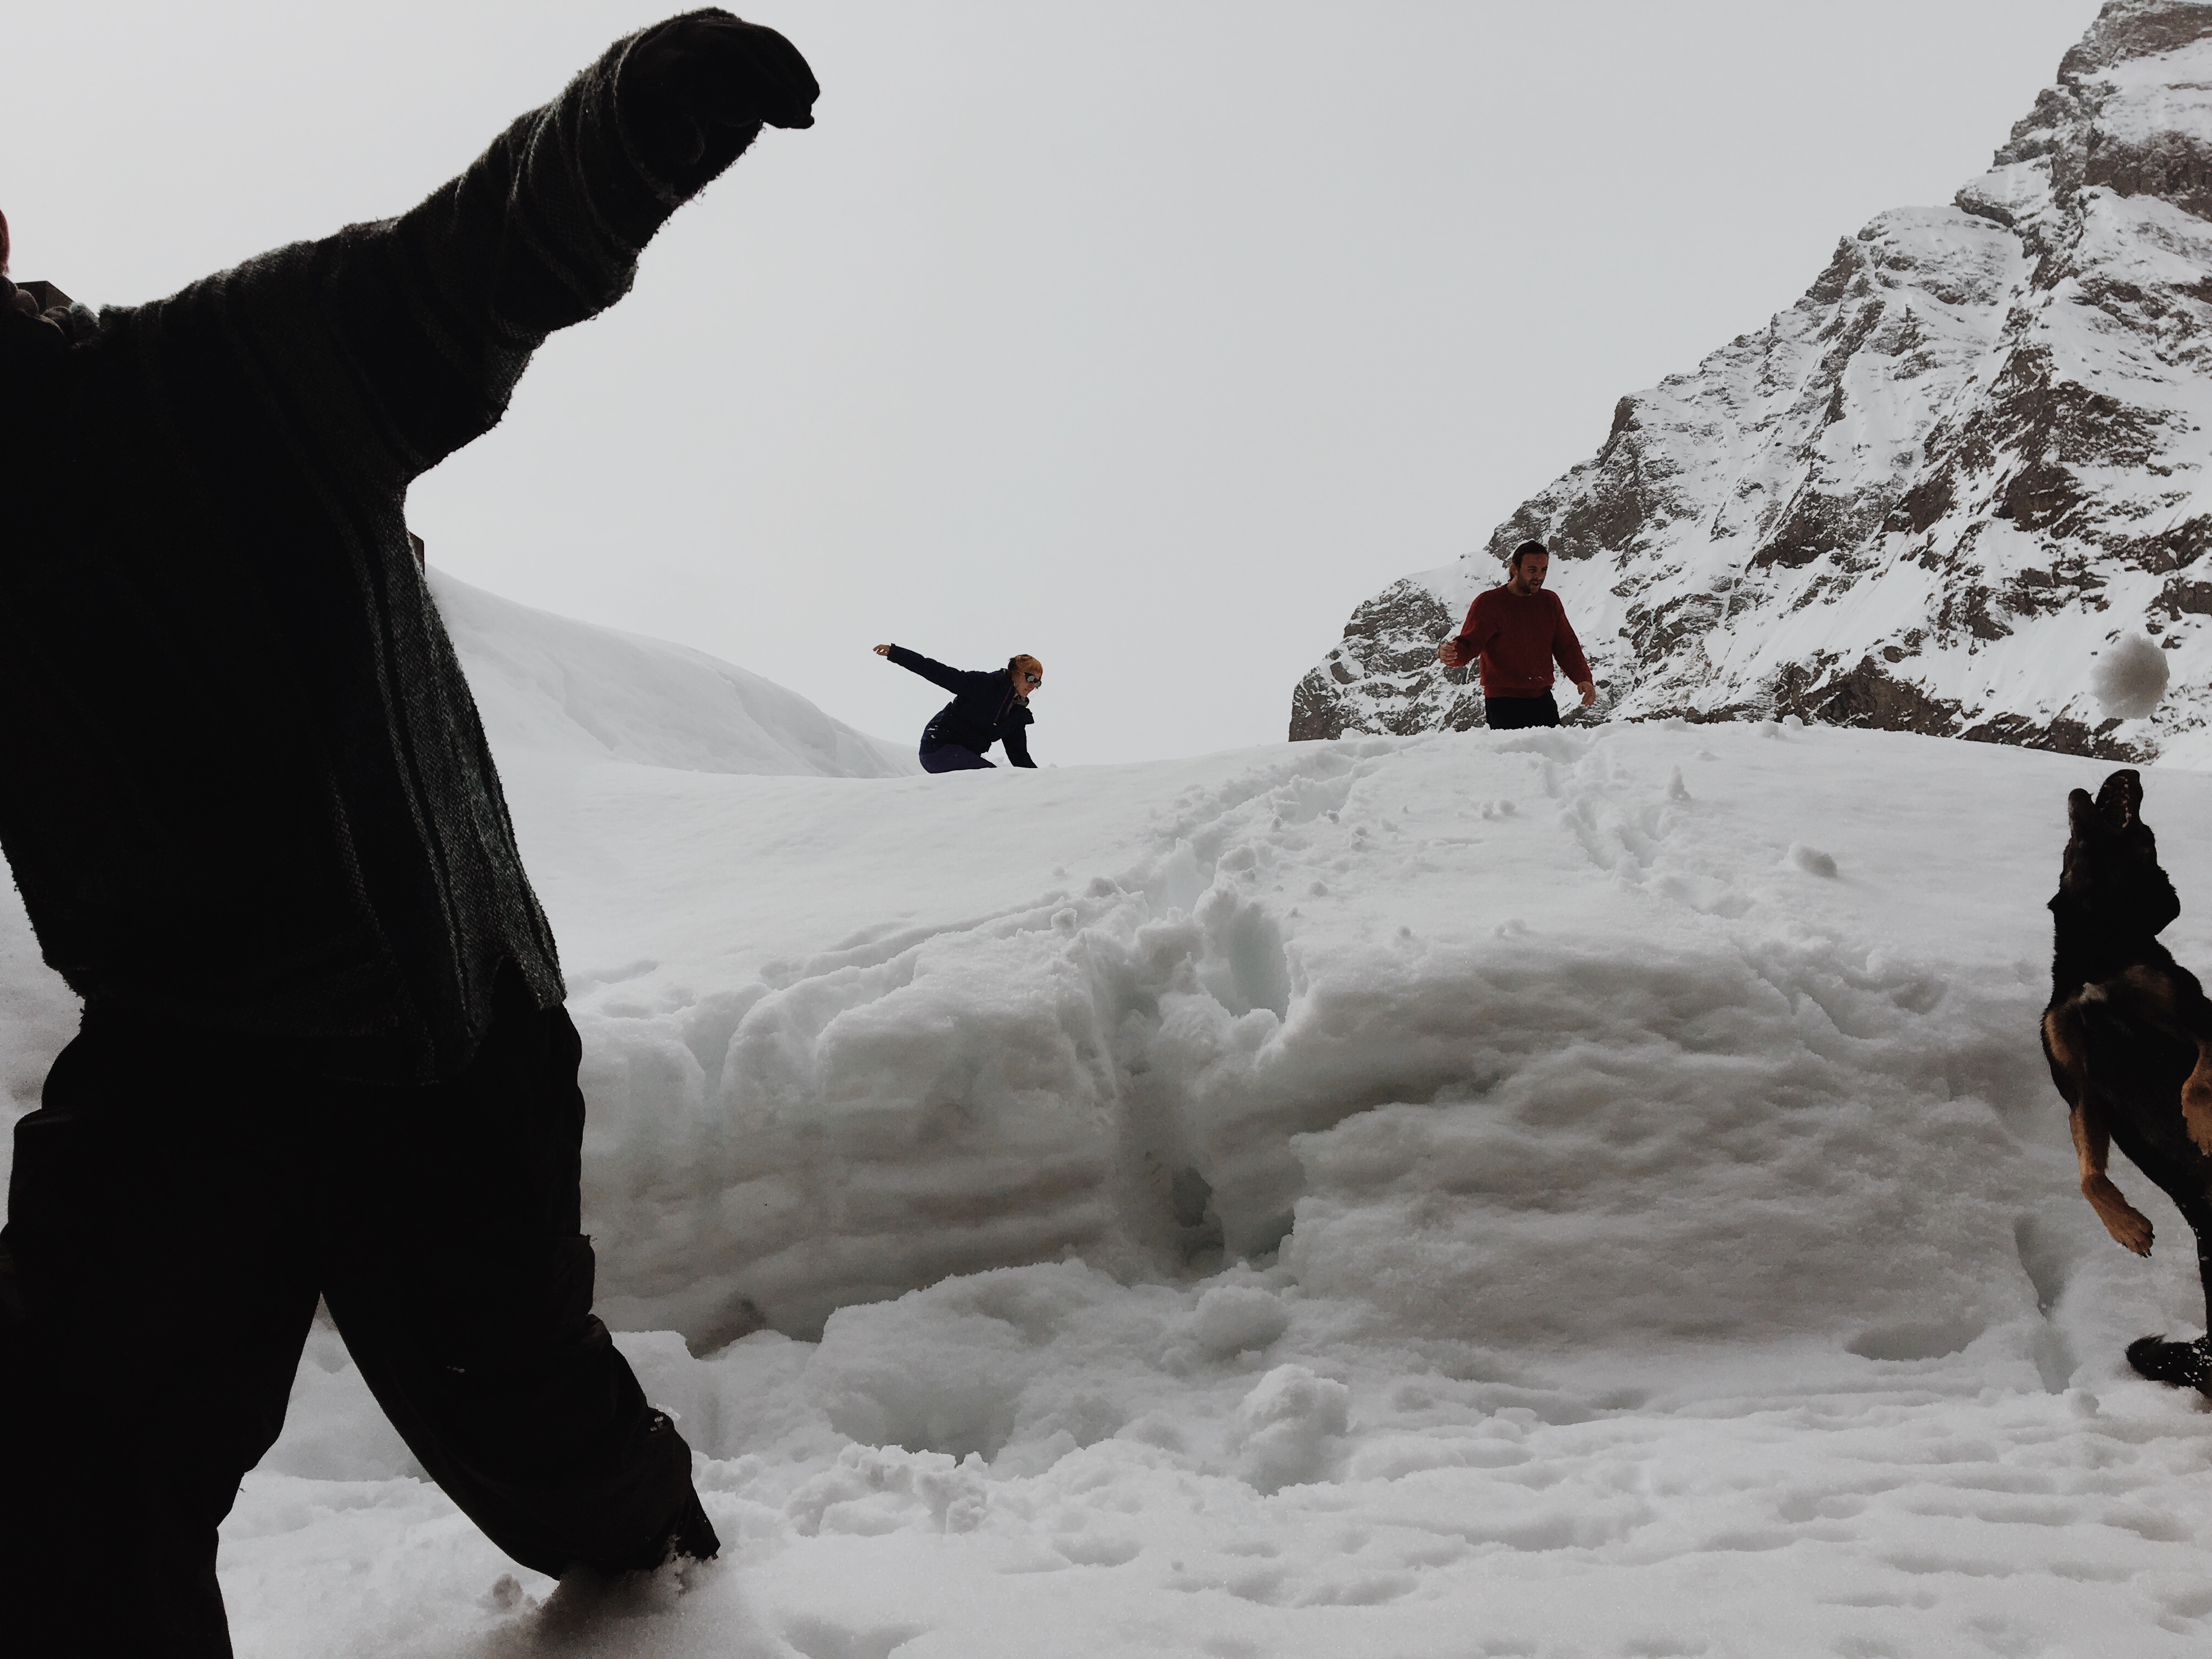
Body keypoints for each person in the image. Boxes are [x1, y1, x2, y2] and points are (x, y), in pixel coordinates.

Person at [0, 14, 819, 1654]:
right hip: (171, 1059)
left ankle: (674, 1575)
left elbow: (469, 264)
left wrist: (634, 122)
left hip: (433, 1036)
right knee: (59, 1464)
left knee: (531, 1430)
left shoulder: (223, 376)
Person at [1435, 539, 1596, 730]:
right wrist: (1448, 654)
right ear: (1515, 569)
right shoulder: (1489, 603)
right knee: (1513, 759)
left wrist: (1583, 678)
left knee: (1555, 758)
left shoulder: (1549, 602)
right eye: (1532, 570)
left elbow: (1566, 645)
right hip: (1503, 703)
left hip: (1542, 698)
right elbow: (1468, 644)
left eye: (1543, 570)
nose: (1539, 576)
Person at [874, 643, 1042, 771]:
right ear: (1015, 672)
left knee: (999, 782)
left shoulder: (1017, 714)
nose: (1033, 685)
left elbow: (1019, 757)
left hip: (963, 754)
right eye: (1030, 678)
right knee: (995, 781)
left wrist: (1044, 784)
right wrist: (897, 654)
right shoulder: (987, 685)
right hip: (938, 746)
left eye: (1038, 682)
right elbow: (941, 674)